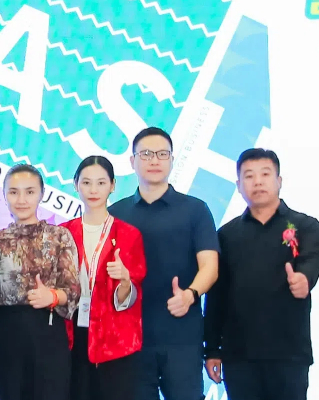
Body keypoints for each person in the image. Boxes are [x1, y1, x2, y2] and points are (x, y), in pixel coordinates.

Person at [105, 127, 218, 400]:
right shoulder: (115, 214)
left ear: (172, 160)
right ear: (132, 161)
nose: (154, 160)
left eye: (162, 154)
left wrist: (190, 294)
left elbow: (210, 266)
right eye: (146, 154)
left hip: (182, 337)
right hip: (129, 339)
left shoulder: (195, 210)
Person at [204, 148, 319, 400]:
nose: (257, 181)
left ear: (279, 181)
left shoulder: (305, 226)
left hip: (289, 353)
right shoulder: (226, 235)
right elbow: (217, 296)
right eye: (249, 176)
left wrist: (304, 280)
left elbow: (311, 262)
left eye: (265, 174)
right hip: (239, 355)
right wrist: (212, 348)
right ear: (238, 185)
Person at [56, 155, 146, 400]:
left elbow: (132, 294)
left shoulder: (129, 234)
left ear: (113, 185)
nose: (93, 190)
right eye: (86, 183)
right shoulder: (62, 233)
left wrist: (125, 281)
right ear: (75, 185)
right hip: (71, 333)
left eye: (101, 183)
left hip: (113, 337)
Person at [0, 163, 76, 400]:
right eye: (13, 192)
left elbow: (73, 291)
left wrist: (52, 296)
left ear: (41, 194)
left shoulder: (59, 236)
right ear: (4, 195)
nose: (21, 200)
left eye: (29, 191)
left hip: (47, 332)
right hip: (5, 335)